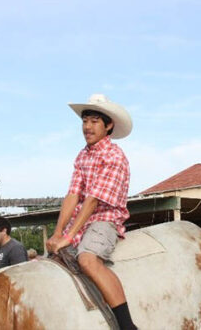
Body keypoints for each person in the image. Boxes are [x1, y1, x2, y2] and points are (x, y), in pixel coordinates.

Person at [45, 94, 137, 330]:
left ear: (109, 126)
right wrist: (57, 234)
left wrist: (67, 237)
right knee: (52, 259)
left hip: (105, 219)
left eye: (95, 121)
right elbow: (73, 195)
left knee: (87, 259)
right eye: (85, 121)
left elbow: (93, 201)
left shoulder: (114, 156)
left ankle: (127, 326)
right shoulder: (82, 155)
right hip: (81, 219)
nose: (87, 127)